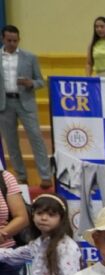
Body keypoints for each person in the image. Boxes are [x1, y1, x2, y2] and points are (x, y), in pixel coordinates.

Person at [0, 26, 50, 188]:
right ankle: (21, 176)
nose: (13, 43)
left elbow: (41, 81)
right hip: (4, 103)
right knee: (11, 142)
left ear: (19, 40)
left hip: (26, 102)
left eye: (15, 40)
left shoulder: (30, 57)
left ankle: (45, 175)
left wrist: (31, 83)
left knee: (36, 138)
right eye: (9, 40)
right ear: (3, 39)